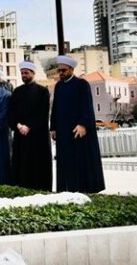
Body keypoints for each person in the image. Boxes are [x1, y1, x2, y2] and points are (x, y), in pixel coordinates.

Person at [50, 55, 105, 193]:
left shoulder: (82, 84)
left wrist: (82, 124)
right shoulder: (58, 86)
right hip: (63, 133)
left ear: (71, 69)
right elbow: (55, 108)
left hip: (77, 131)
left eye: (63, 70)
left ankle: (82, 190)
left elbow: (87, 106)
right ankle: (65, 190)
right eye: (59, 70)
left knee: (80, 162)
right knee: (65, 162)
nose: (61, 73)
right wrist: (53, 127)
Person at [8, 61, 52, 191]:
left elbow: (42, 113)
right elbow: (11, 112)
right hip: (20, 135)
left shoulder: (42, 91)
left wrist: (29, 126)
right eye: (22, 73)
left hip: (37, 136)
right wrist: (18, 125)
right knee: (21, 165)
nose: (24, 75)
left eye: (26, 73)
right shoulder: (17, 91)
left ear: (33, 73)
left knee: (37, 165)